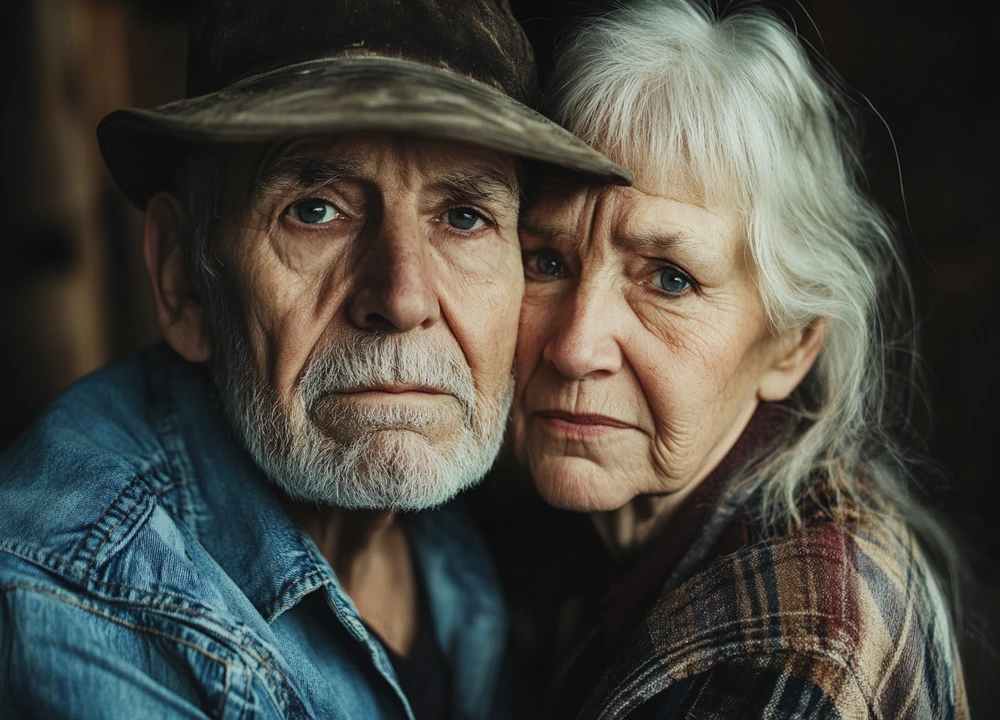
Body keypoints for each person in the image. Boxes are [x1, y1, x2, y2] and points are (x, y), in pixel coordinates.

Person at [0, 0, 629, 717]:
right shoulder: (74, 605)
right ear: (183, 279)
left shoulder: (525, 516)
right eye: (315, 210)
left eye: (463, 217)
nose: (403, 298)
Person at [511, 0, 969, 717]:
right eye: (545, 260)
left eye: (671, 280)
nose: (574, 347)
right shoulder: (555, 536)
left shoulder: (800, 647)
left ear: (792, 345)